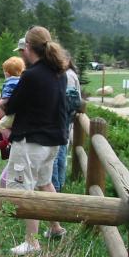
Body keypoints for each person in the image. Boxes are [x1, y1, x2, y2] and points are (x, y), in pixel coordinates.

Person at [4, 26, 69, 256]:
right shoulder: (59, 72)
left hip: (31, 141)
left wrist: (1, 106)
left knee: (25, 188)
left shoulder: (31, 75)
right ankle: (56, 227)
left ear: (28, 47)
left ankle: (32, 242)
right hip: (53, 142)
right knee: (45, 182)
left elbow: (12, 106)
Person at [51, 54, 82, 192]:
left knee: (57, 155)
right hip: (66, 120)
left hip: (61, 120)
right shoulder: (71, 74)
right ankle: (60, 184)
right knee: (61, 153)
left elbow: (65, 99)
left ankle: (57, 187)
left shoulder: (67, 76)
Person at [0, 54, 25, 138]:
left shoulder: (10, 83)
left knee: (1, 125)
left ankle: (12, 139)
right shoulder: (22, 80)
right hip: (22, 111)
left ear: (6, 73)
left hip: (13, 112)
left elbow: (6, 97)